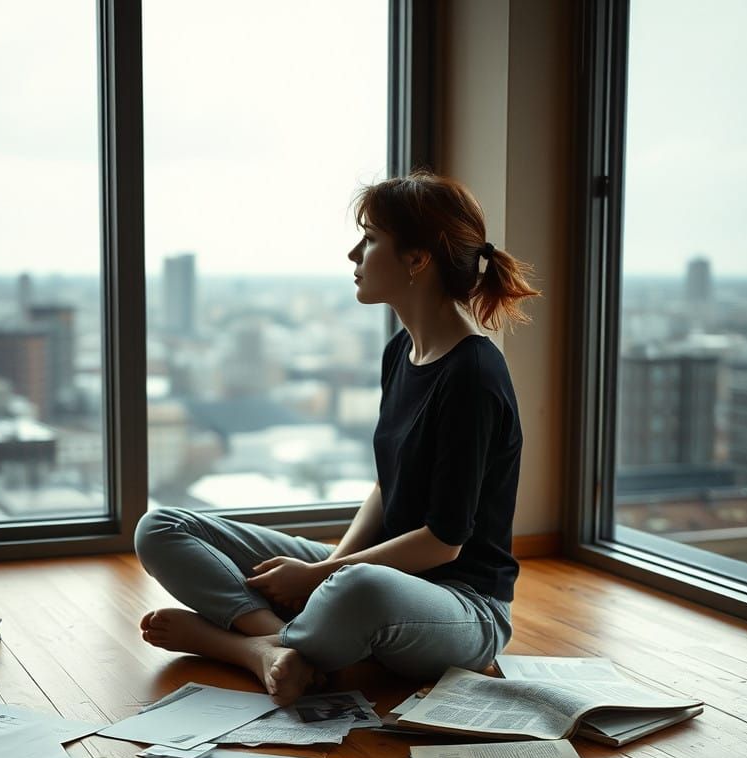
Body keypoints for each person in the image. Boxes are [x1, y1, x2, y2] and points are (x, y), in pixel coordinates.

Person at [135, 171, 538, 705]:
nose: (354, 254)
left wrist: (323, 578)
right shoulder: (401, 351)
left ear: (418, 260)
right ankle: (275, 642)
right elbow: (386, 485)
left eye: (370, 239)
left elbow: (445, 541)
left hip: (464, 607)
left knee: (357, 589)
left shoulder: (473, 375)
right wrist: (319, 575)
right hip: (373, 575)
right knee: (160, 525)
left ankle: (238, 647)